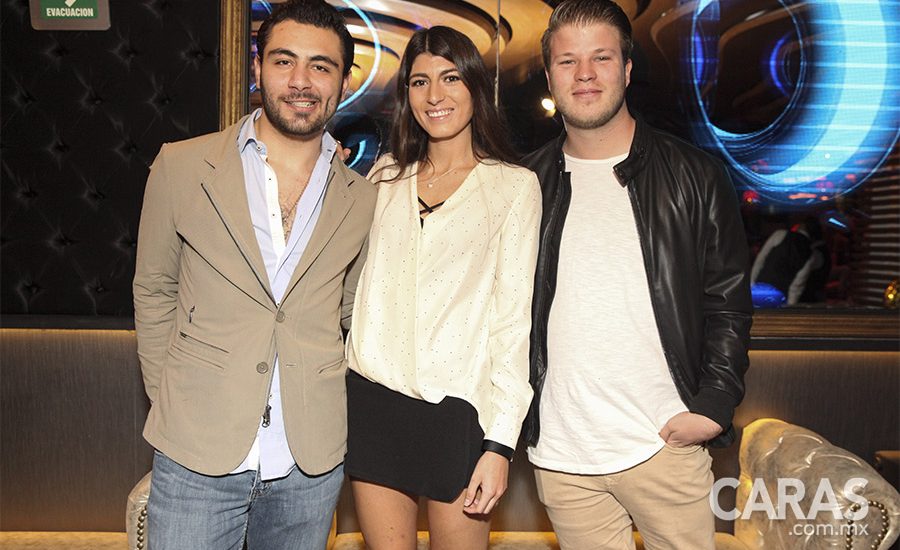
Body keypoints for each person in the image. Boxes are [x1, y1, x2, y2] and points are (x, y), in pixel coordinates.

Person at [132, 1, 376, 548]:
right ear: (258, 68)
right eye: (284, 61)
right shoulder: (182, 166)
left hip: (309, 463)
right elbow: (154, 290)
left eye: (321, 66)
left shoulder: (362, 198)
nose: (301, 81)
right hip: (196, 451)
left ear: (342, 82)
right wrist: (174, 400)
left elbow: (350, 313)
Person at [521, 1, 752, 548]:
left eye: (601, 57)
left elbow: (728, 303)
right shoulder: (524, 184)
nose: (584, 74)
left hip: (665, 445)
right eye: (568, 61)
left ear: (626, 69)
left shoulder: (695, 175)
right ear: (550, 75)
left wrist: (713, 408)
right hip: (563, 455)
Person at [344, 25, 541, 550]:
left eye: (451, 78)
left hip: (459, 413)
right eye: (419, 81)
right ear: (406, 95)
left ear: (475, 86)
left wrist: (500, 445)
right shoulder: (383, 179)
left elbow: (512, 324)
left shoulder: (513, 187)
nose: (435, 95)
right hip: (373, 402)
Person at [751, 216, 829, 305]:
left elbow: (760, 260)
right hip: (779, 297)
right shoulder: (810, 254)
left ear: (802, 226)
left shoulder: (780, 234)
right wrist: (790, 306)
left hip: (759, 289)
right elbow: (797, 286)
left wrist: (751, 285)